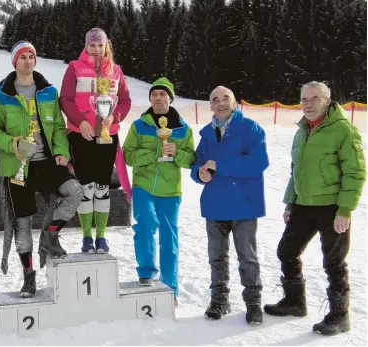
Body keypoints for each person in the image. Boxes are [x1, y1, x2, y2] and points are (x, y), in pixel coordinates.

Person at [263, 81, 366, 335]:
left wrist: (345, 210)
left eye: (314, 99)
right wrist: (290, 202)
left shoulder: (343, 129)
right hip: (303, 205)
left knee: (333, 262)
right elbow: (296, 171)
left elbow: (355, 172)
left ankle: (339, 316)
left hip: (332, 207)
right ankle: (295, 302)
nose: (308, 104)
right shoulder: (302, 130)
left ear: (327, 100)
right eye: (304, 100)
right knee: (286, 251)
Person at [0, 40, 83, 298]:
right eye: (22, 57)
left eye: (31, 56)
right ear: (14, 62)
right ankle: (29, 276)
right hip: (18, 166)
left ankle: (51, 236)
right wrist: (12, 142)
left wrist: (62, 151)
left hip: (47, 162)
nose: (28, 61)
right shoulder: (2, 96)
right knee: (23, 224)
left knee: (74, 191)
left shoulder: (48, 92)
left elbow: (60, 129)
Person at [190, 86, 269, 325]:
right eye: (216, 99)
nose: (221, 103)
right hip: (215, 203)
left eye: (226, 99)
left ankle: (253, 303)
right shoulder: (206, 133)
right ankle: (219, 299)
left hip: (243, 204)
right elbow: (199, 163)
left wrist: (219, 165)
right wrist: (199, 174)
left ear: (235, 102)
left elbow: (258, 162)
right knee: (217, 257)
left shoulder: (250, 128)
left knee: (247, 257)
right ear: (210, 105)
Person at [122, 77, 195, 305]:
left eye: (163, 94)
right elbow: (128, 155)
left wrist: (177, 153)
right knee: (145, 225)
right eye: (154, 94)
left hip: (170, 191)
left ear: (170, 99)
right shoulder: (139, 125)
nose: (158, 98)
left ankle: (170, 288)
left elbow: (191, 159)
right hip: (143, 186)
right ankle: (146, 272)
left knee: (169, 238)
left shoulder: (183, 129)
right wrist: (153, 154)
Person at [60, 27, 132, 254]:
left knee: (102, 187)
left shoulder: (116, 70)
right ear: (86, 46)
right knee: (85, 187)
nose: (97, 50)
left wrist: (115, 116)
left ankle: (101, 236)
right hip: (82, 135)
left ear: (107, 46)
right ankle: (86, 237)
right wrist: (80, 122)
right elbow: (65, 99)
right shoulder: (74, 68)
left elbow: (126, 100)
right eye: (92, 45)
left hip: (106, 136)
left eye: (101, 45)